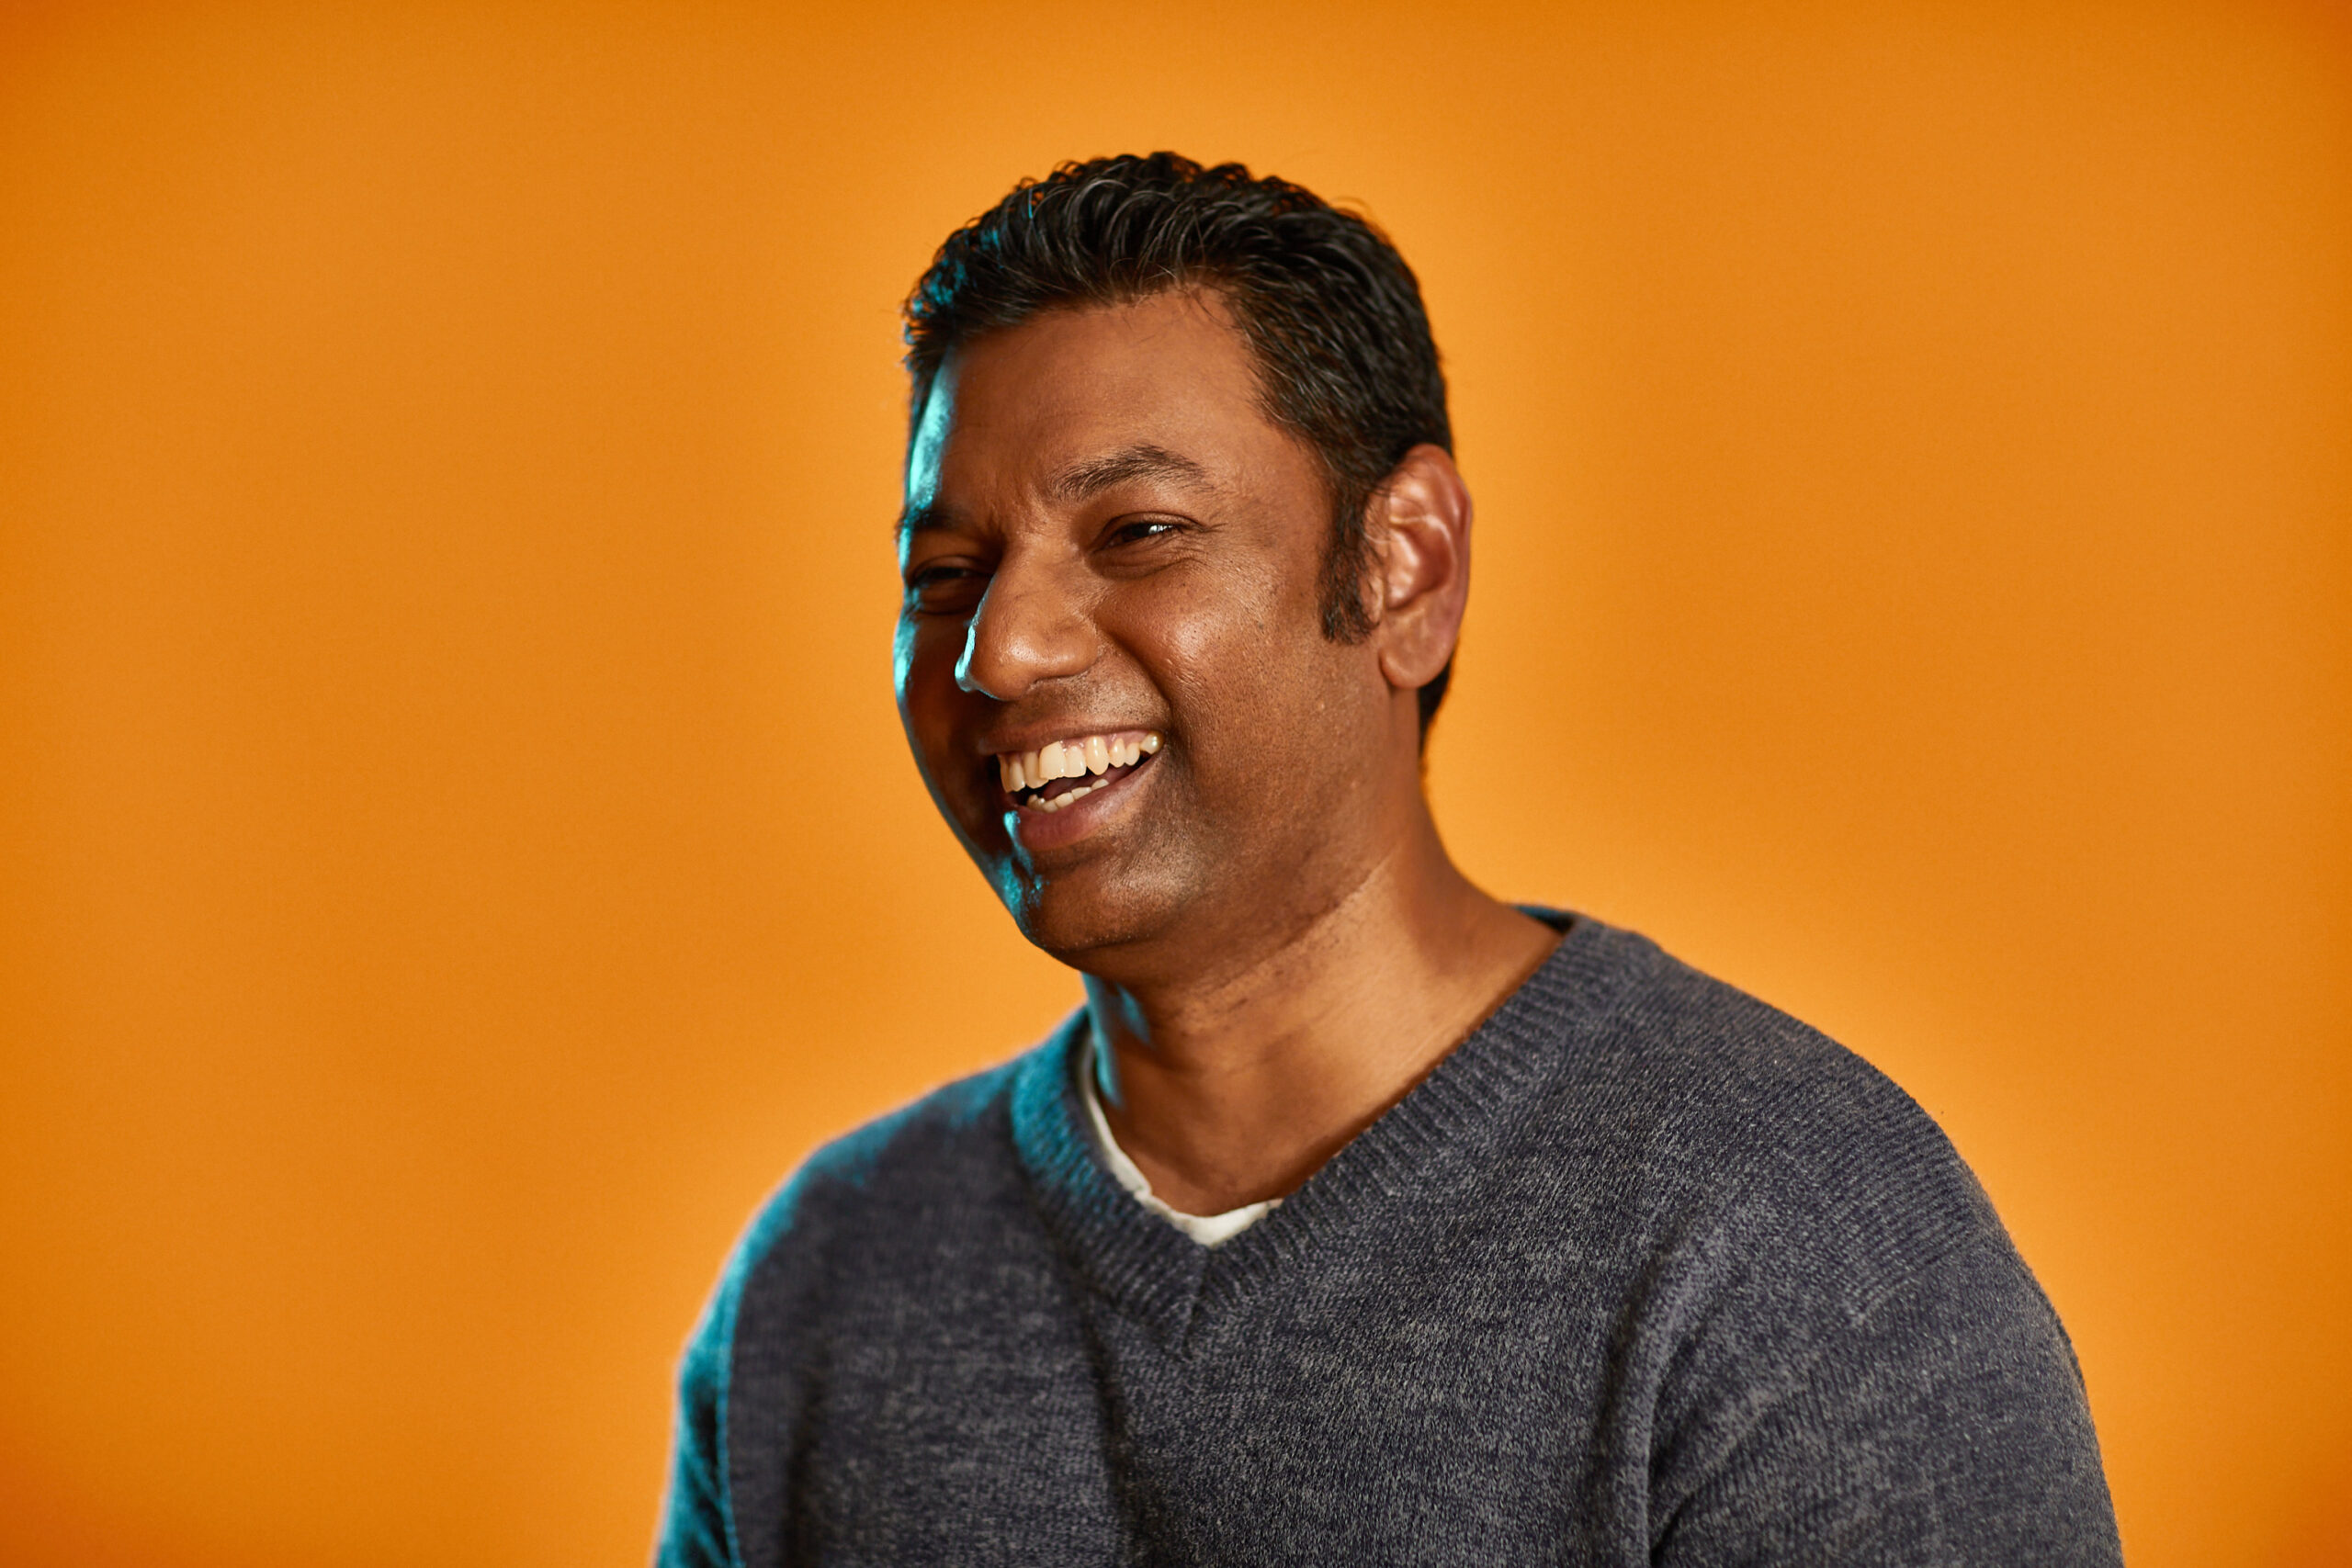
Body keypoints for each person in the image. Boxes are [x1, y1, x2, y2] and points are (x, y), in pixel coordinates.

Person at [655, 152, 2120, 1566]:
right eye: (943, 575)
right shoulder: (824, 1289)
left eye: (1141, 530)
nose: (1002, 648)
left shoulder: (1800, 1250)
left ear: (1404, 566)